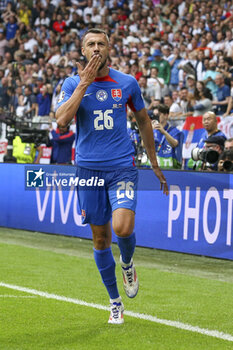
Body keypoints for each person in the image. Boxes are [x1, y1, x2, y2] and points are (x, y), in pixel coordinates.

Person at [55, 28, 168, 325]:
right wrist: (84, 84)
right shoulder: (70, 83)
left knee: (122, 227)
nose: (95, 48)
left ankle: (128, 262)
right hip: (88, 169)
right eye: (90, 44)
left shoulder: (127, 82)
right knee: (101, 239)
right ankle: (114, 302)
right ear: (82, 50)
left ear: (109, 48)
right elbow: (62, 121)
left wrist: (154, 162)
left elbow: (144, 121)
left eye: (100, 44)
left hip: (121, 166)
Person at [152, 104, 183, 169]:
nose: (157, 117)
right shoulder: (154, 130)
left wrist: (164, 132)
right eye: (156, 115)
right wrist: (148, 131)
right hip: (155, 165)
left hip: (169, 167)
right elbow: (144, 145)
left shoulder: (174, 130)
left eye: (159, 114)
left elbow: (175, 144)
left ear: (166, 115)